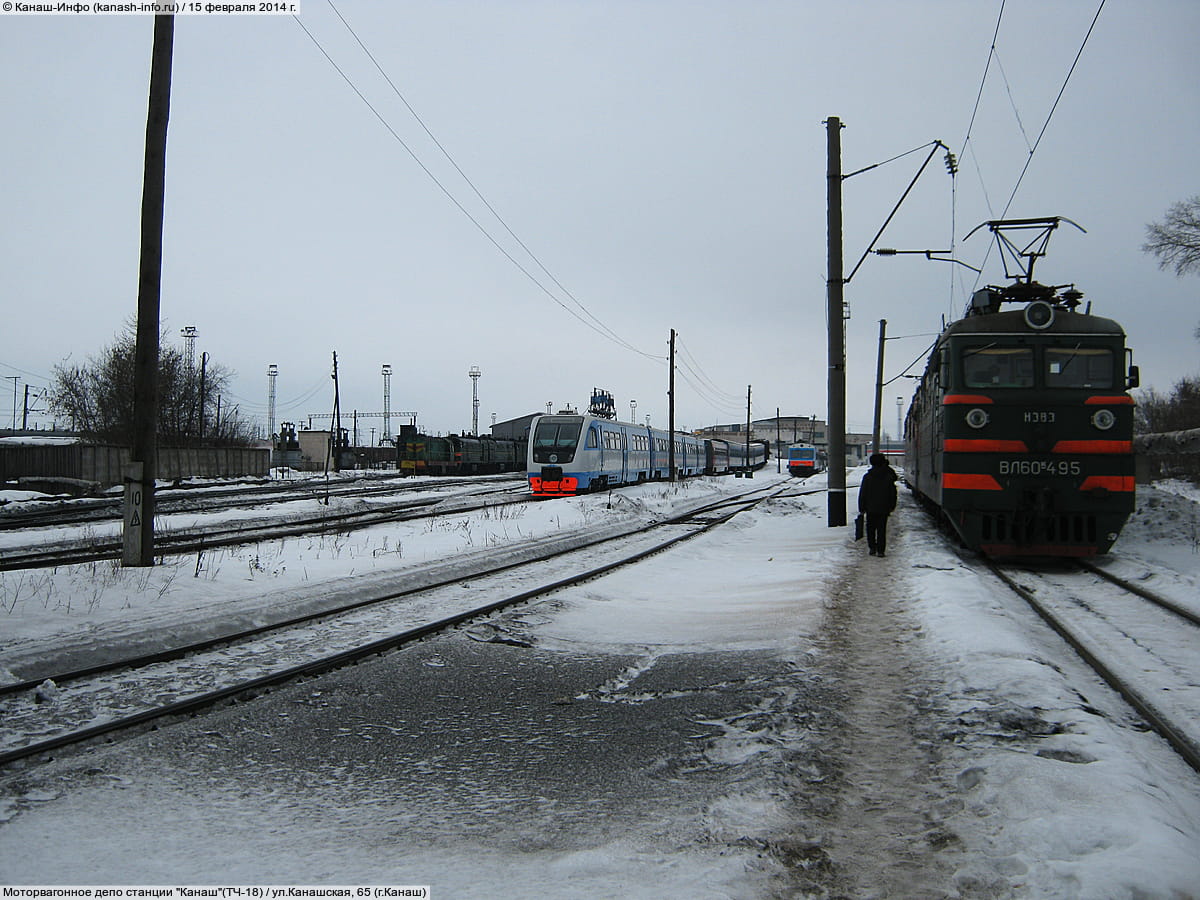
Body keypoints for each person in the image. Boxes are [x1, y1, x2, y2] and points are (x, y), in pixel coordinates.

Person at [858, 453, 898, 557]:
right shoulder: (888, 476)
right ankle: (881, 550)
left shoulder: (867, 477)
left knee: (870, 529)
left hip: (870, 508)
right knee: (881, 529)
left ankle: (872, 548)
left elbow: (863, 493)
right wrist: (892, 505)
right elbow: (892, 492)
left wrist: (862, 507)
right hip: (884, 507)